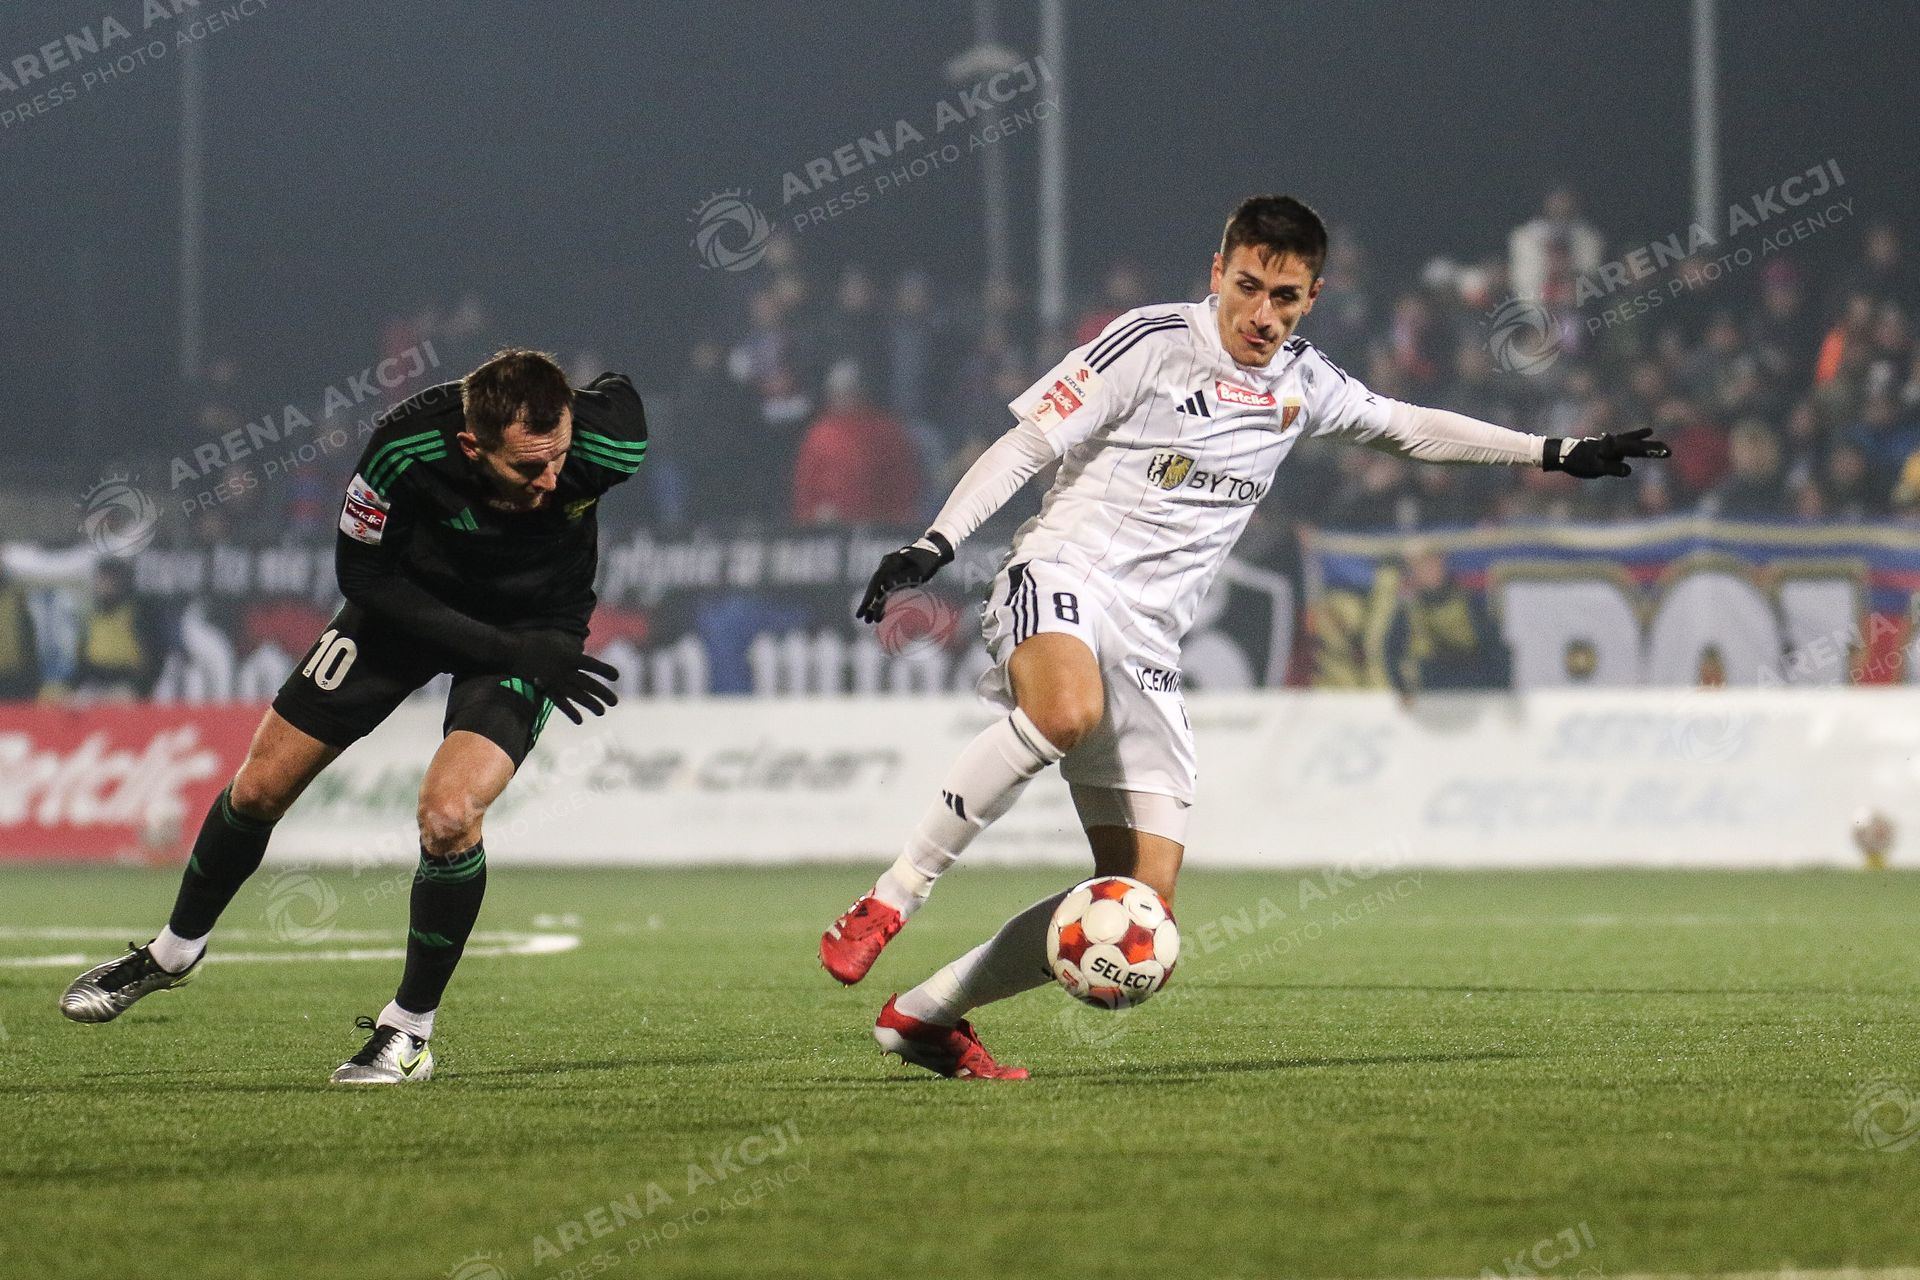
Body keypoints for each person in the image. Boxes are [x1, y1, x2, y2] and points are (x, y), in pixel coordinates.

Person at [820, 195, 1668, 1079]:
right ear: (1217, 274)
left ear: (1313, 297)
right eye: (1249, 287)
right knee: (1064, 713)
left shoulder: (1304, 382)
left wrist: (1553, 451)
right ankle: (891, 898)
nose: (1263, 314)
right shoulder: (1148, 343)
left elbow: (1409, 428)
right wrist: (936, 543)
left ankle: (923, 1017)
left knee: (1140, 905)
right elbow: (1027, 445)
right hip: (1064, 576)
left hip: (1150, 645)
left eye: (1286, 297)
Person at [60, 349, 644, 1084]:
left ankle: (410, 1033)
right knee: (259, 789)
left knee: (450, 817)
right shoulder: (405, 445)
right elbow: (361, 576)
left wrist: (530, 651)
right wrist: (511, 652)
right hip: (408, 613)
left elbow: (620, 389)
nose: (553, 479)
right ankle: (172, 953)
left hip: (533, 629)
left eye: (559, 456)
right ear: (472, 446)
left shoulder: (606, 440)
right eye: (529, 467)